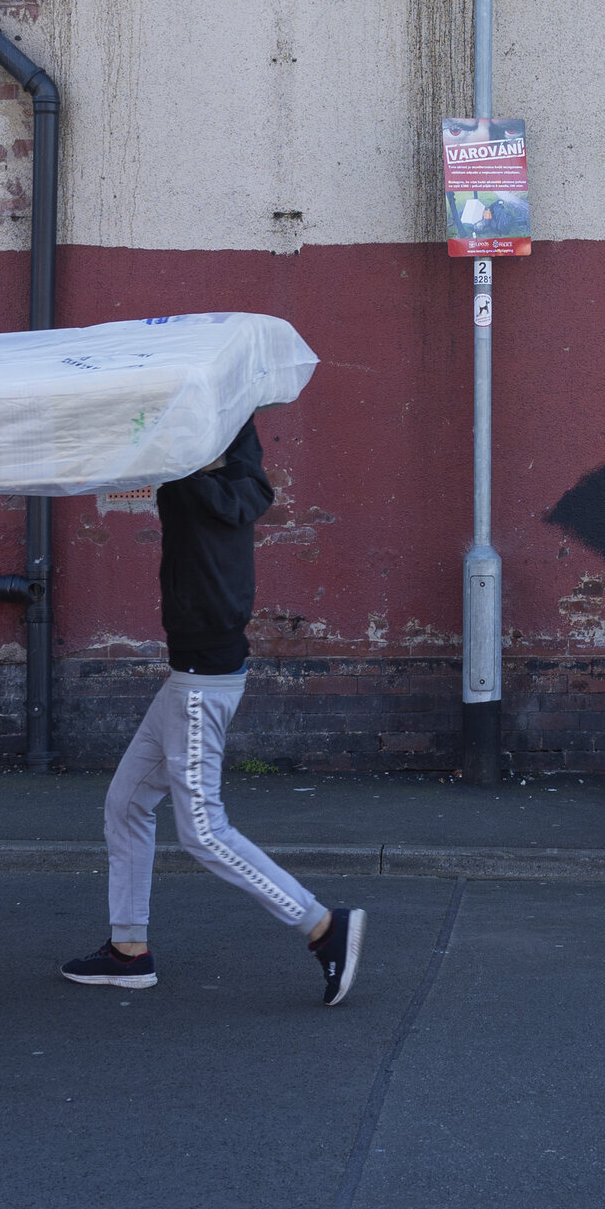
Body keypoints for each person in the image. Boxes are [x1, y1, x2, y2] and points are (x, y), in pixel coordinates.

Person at [61, 418, 364, 1005]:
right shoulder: (233, 476)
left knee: (203, 832)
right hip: (194, 675)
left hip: (204, 680)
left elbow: (160, 458)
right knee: (126, 803)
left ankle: (324, 927)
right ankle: (128, 951)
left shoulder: (196, 482)